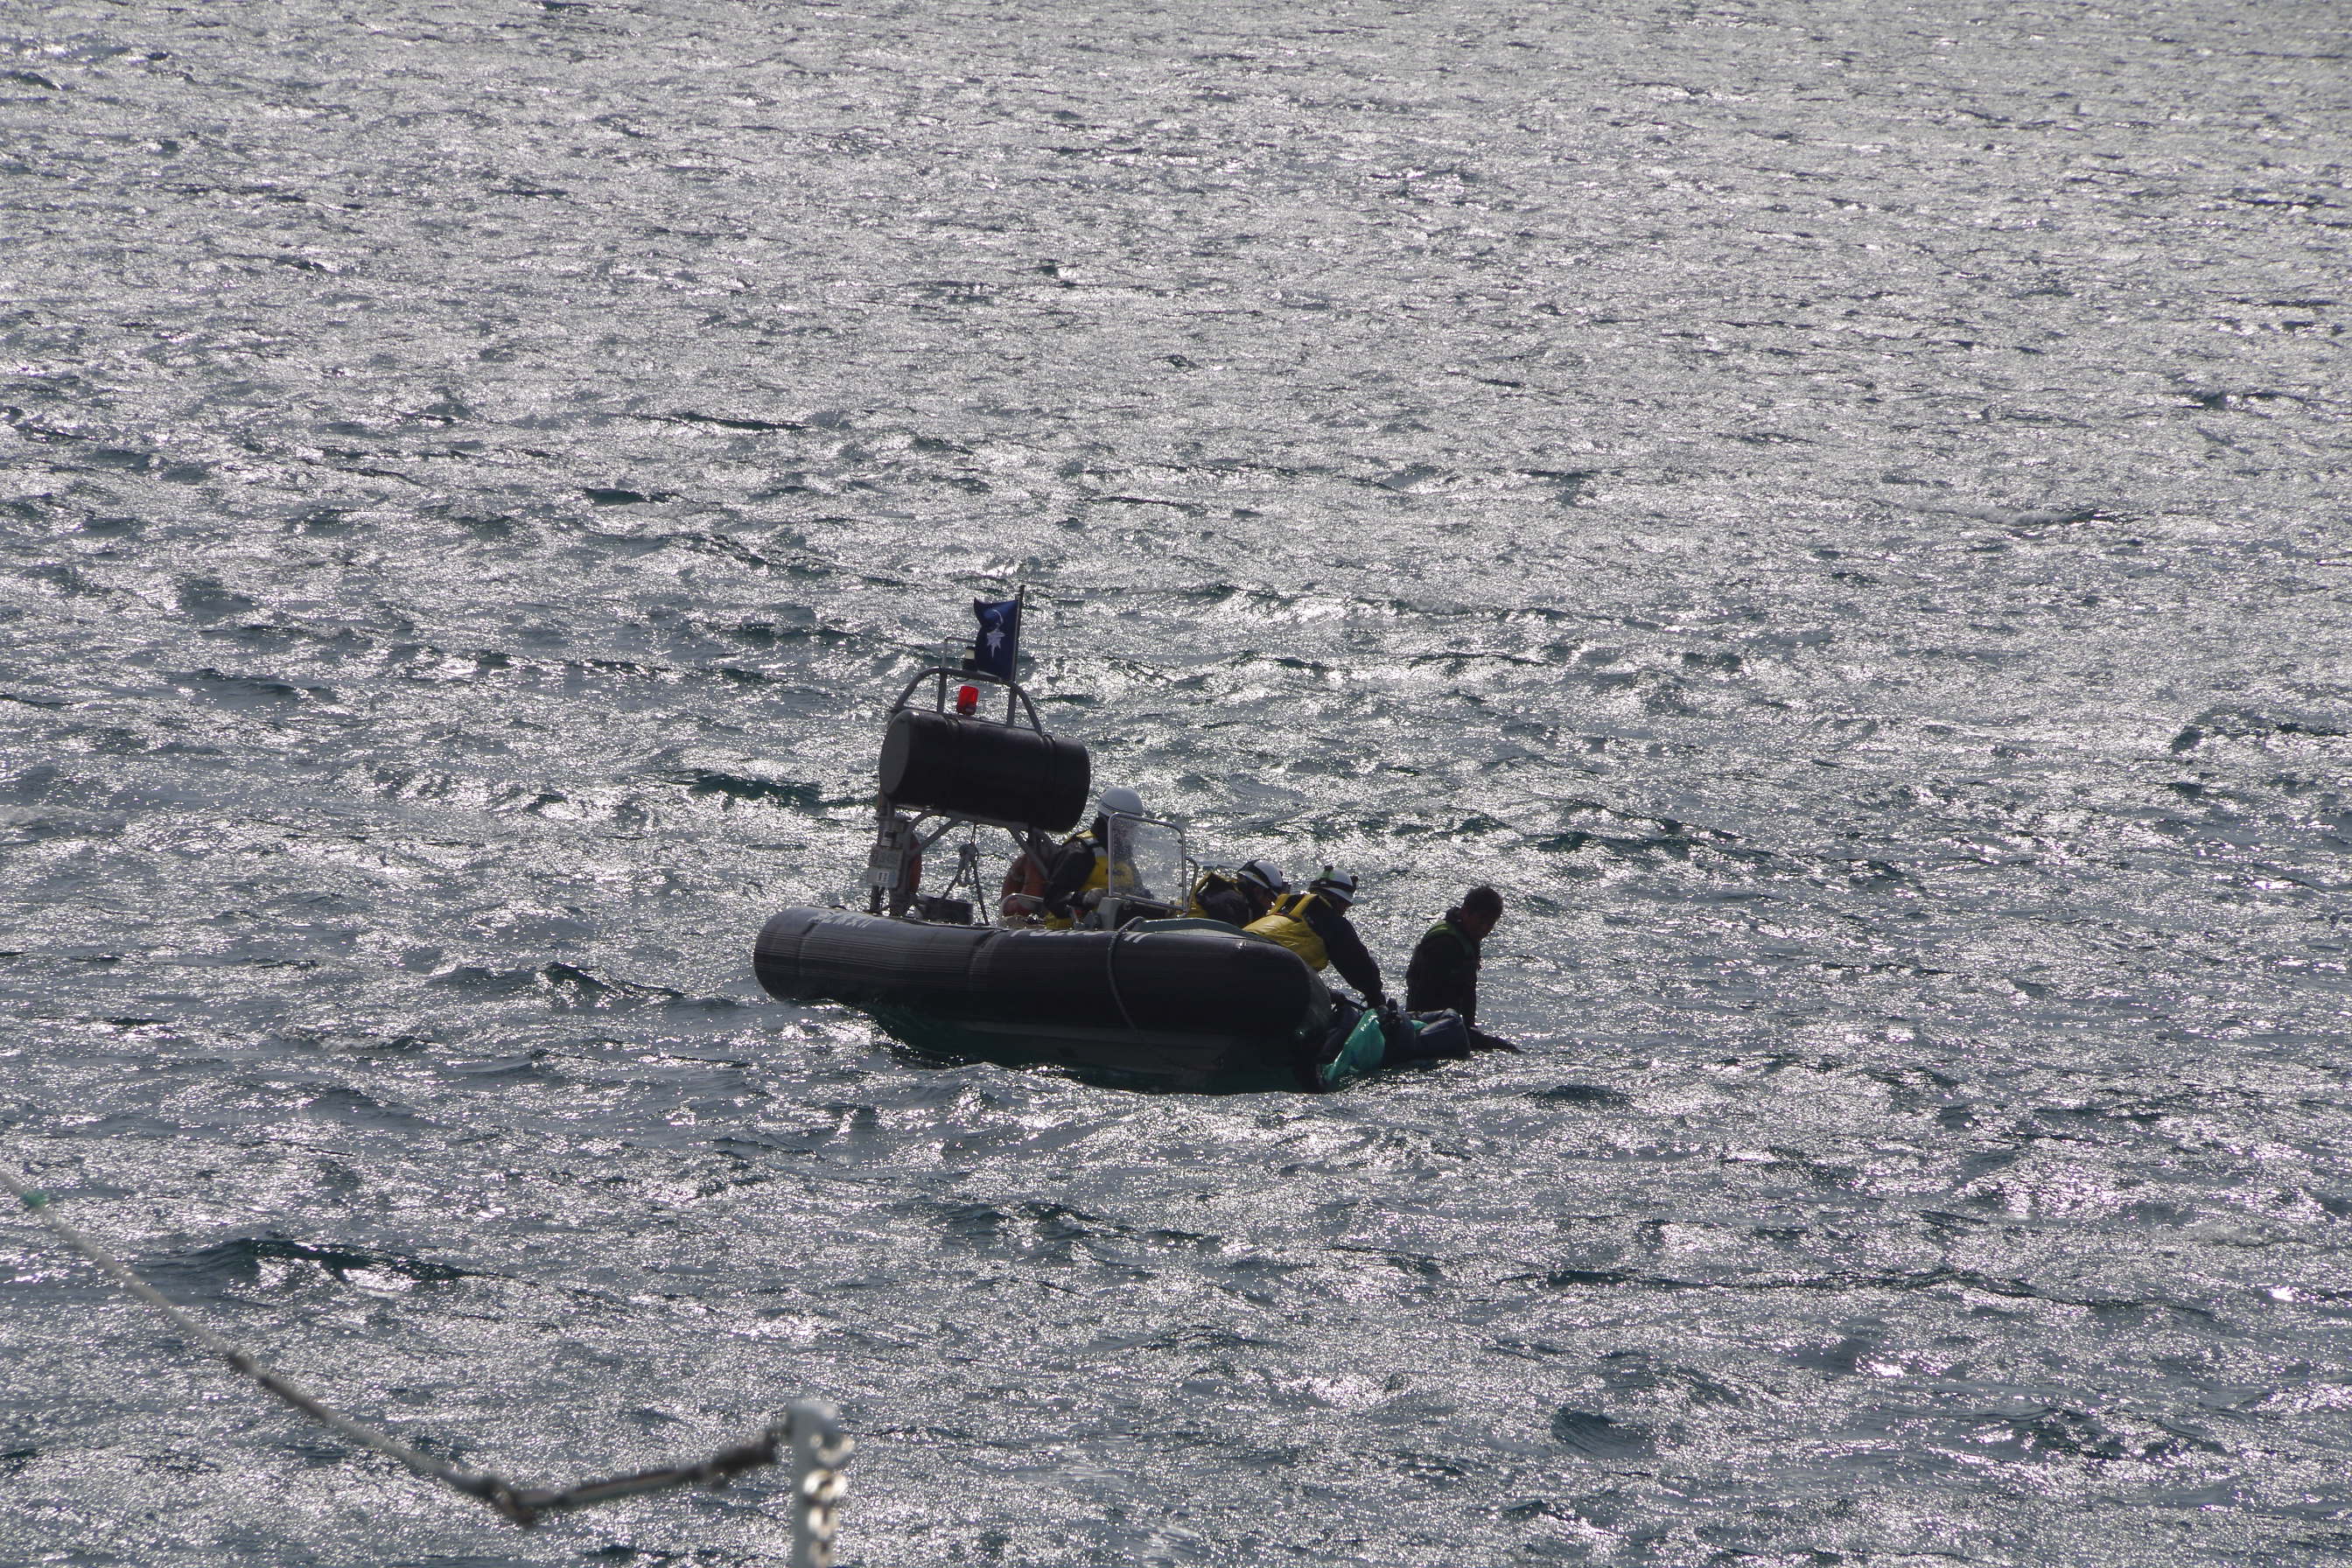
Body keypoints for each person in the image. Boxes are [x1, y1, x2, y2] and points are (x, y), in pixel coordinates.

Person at [1244, 867, 1386, 1006]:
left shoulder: (1286, 908)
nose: (1344, 911)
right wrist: (1377, 1000)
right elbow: (1361, 970)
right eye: (1346, 906)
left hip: (1234, 949)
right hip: (1265, 969)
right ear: (1340, 901)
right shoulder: (1332, 922)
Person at [1405, 885, 1516, 1051]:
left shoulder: (1467, 936)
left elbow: (1468, 990)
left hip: (1448, 1022)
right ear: (1465, 912)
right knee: (1505, 1049)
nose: (1484, 928)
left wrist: (1470, 1026)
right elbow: (1426, 994)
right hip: (1429, 1024)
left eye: (1490, 924)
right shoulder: (1445, 943)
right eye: (1481, 920)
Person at [1040, 785, 1144, 928]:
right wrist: (1084, 898)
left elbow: (1140, 893)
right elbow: (1053, 898)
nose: (1129, 831)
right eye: (1124, 824)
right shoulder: (1080, 851)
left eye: (1133, 825)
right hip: (1070, 931)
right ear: (1109, 821)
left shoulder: (1124, 857)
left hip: (1113, 929)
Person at [1188, 858, 1286, 928]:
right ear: (1258, 891)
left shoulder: (1234, 898)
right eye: (1270, 899)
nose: (1270, 906)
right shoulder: (1230, 901)